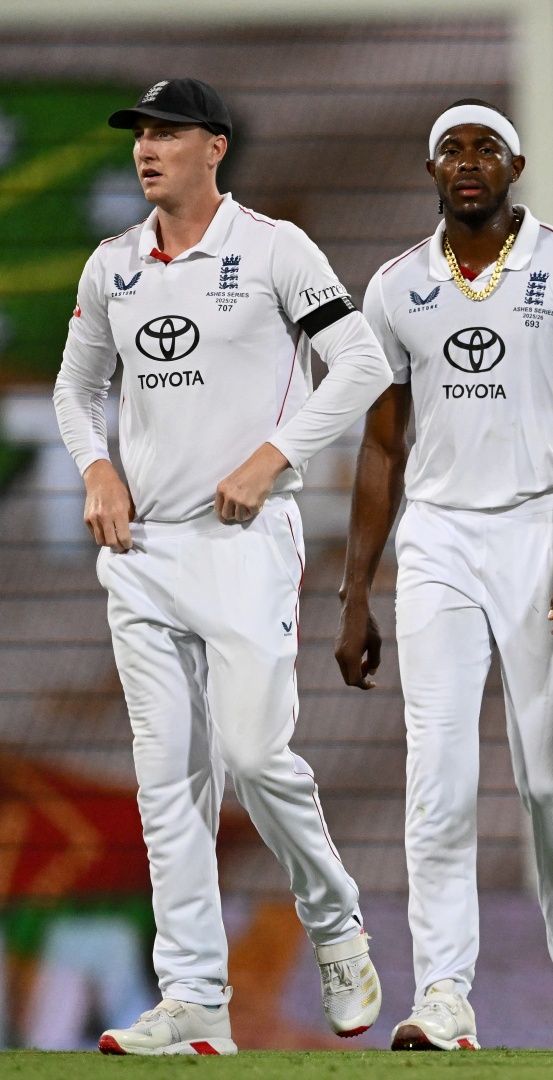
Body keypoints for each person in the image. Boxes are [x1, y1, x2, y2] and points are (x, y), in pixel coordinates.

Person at [53, 77, 388, 1055]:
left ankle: (335, 924)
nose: (145, 148)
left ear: (215, 147)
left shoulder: (275, 249)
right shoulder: (112, 266)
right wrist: (98, 466)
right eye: (138, 135)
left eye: (165, 132)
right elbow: (78, 393)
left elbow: (361, 364)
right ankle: (196, 1001)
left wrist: (274, 455)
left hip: (245, 545)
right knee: (167, 777)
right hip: (142, 553)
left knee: (251, 755)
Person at [335, 100, 553, 1052]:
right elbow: (381, 449)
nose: (468, 163)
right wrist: (354, 593)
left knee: (546, 782)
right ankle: (445, 997)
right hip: (441, 540)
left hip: (543, 530)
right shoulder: (393, 287)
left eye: (486, 149)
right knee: (439, 776)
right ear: (431, 172)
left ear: (517, 165)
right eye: (451, 150)